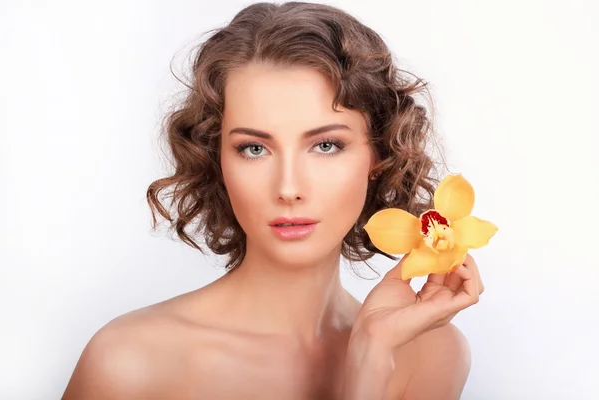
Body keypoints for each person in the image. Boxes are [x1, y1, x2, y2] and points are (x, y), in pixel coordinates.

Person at [62, 1, 484, 399]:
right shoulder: (130, 361)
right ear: (218, 159)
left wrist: (371, 356)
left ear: (378, 153)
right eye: (254, 149)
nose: (288, 187)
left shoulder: (429, 354)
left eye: (326, 146)